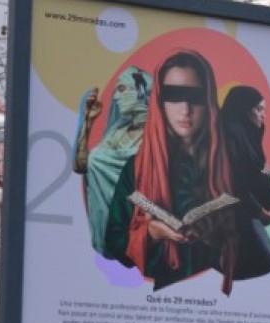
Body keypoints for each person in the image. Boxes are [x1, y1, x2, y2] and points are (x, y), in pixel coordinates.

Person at [104, 50, 241, 294]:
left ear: (208, 99)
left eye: (195, 96)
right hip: (160, 300)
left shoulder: (231, 165)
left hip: (218, 300)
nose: (185, 109)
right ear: (159, 100)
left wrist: (216, 229)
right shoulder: (136, 168)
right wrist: (151, 233)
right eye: (174, 96)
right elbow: (113, 242)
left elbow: (256, 241)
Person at [73, 66, 153, 254]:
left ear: (141, 91)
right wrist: (87, 122)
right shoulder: (117, 133)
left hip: (140, 229)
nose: (116, 97)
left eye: (122, 89)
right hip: (108, 235)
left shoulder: (155, 134)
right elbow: (81, 165)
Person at [217, 84, 270, 277]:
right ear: (244, 110)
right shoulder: (230, 136)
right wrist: (259, 210)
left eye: (264, 110)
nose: (263, 115)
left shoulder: (247, 135)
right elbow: (234, 182)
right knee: (262, 259)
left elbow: (249, 175)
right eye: (258, 109)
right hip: (233, 217)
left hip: (247, 214)